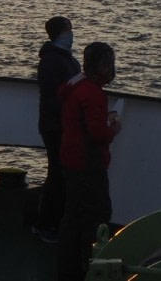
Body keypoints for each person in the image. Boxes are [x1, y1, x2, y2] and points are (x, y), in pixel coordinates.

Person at [57, 41, 120, 281]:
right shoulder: (92, 94)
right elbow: (98, 134)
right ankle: (89, 266)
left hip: (71, 160)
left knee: (72, 215)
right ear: (101, 66)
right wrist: (114, 129)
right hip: (88, 165)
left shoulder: (75, 86)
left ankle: (68, 268)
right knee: (96, 215)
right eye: (110, 65)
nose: (112, 70)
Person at [34, 15, 80, 242]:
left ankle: (51, 221)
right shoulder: (52, 61)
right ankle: (47, 224)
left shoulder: (66, 59)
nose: (71, 33)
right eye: (68, 29)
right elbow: (53, 95)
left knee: (60, 174)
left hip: (64, 124)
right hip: (55, 126)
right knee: (57, 175)